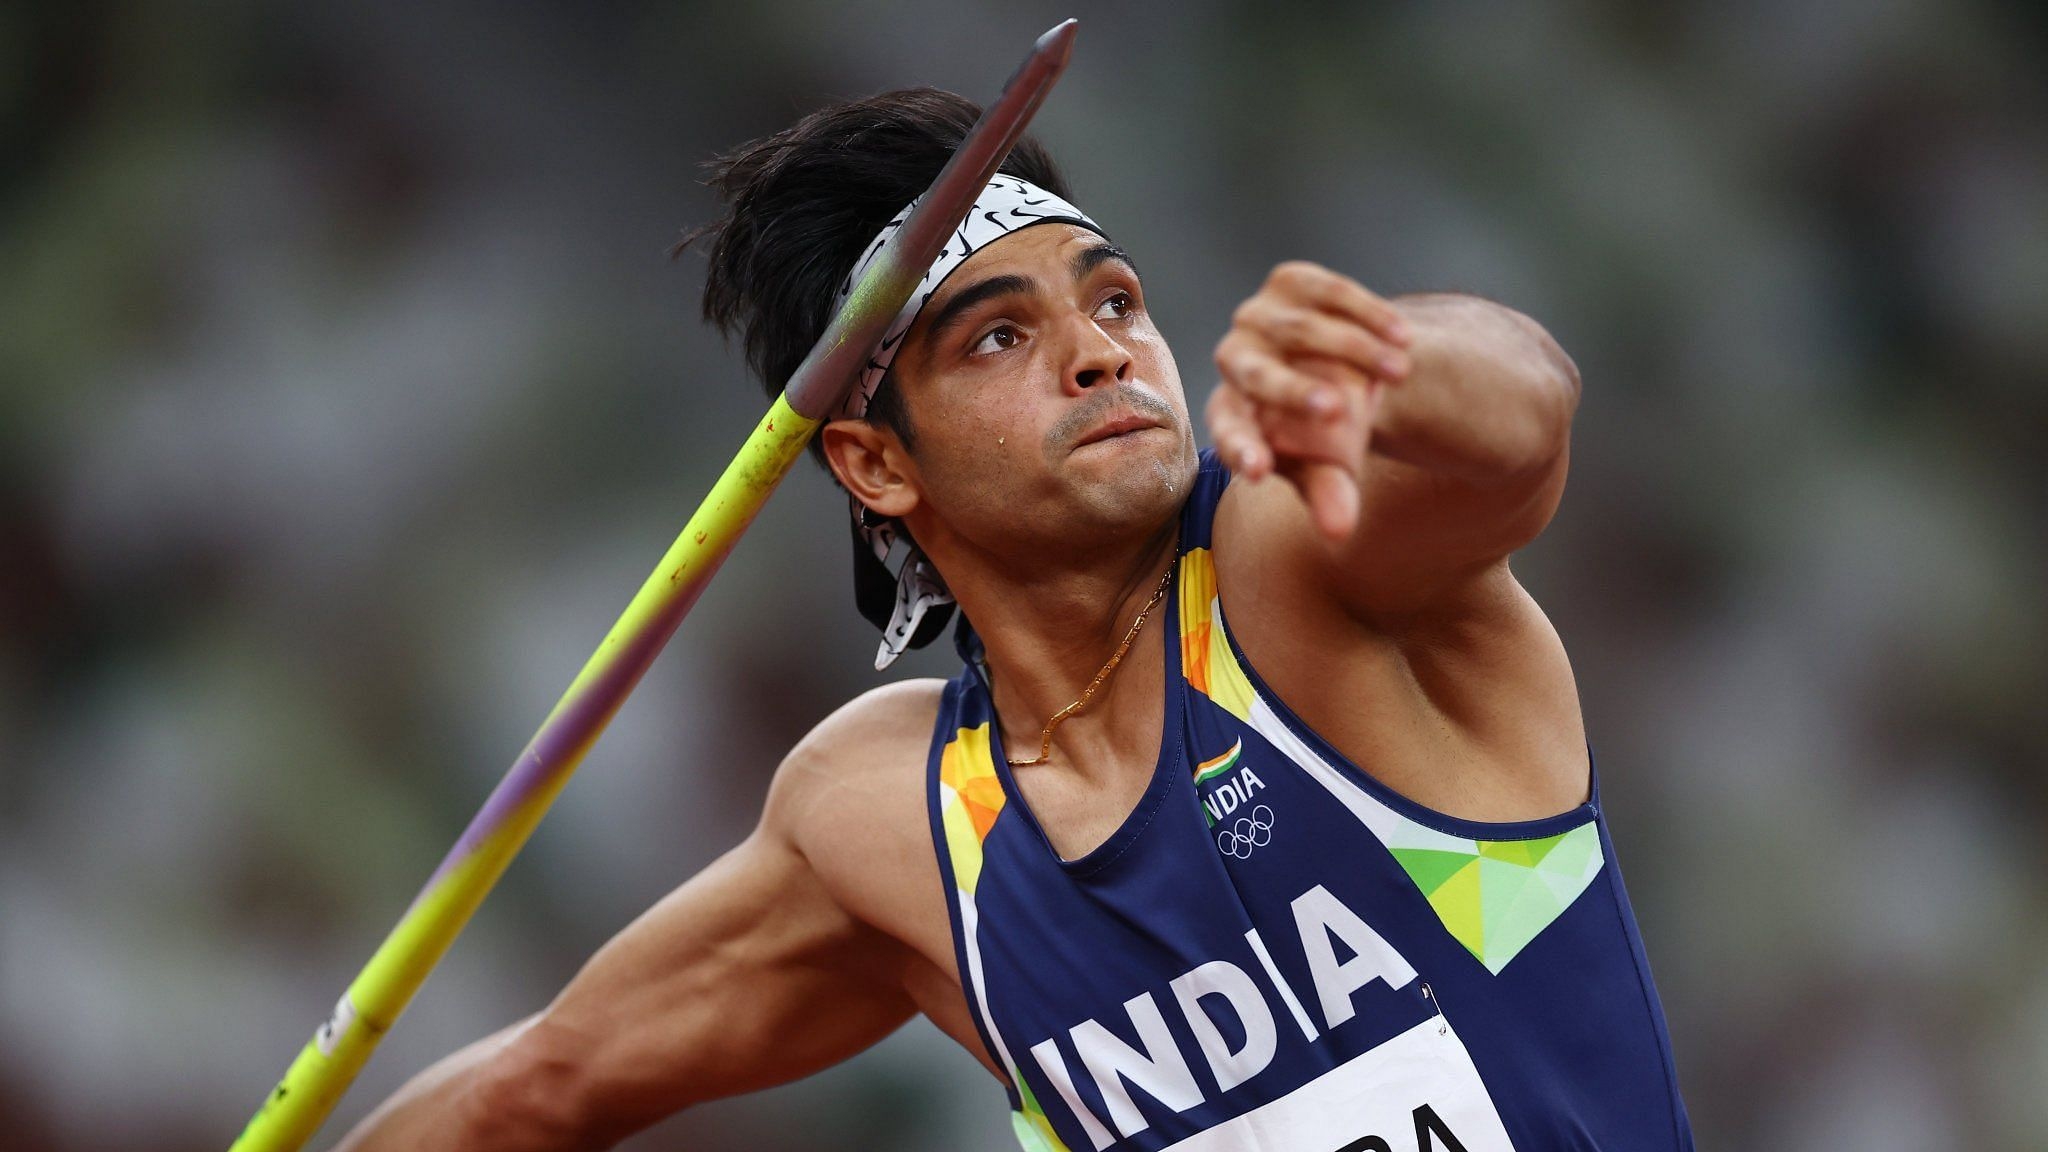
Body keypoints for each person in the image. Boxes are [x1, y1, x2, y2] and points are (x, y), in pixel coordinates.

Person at [337, 87, 1693, 1152]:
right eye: (999, 336)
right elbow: (544, 1089)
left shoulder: (1296, 578)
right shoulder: (893, 825)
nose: (1102, 350)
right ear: (876, 462)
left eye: (1114, 300)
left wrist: (1382, 367)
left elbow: (1522, 426)